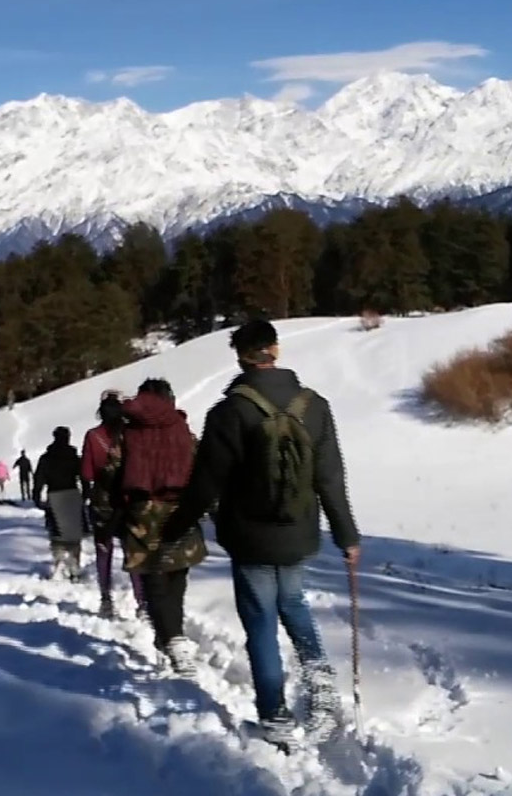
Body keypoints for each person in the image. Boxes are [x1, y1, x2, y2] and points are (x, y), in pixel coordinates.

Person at [161, 318, 361, 744]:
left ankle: (275, 718)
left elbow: (206, 484)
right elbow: (330, 478)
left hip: (250, 537)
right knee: (293, 601)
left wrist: (175, 528)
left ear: (240, 356)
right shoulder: (316, 405)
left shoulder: (229, 411)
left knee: (261, 624)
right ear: (276, 350)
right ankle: (320, 682)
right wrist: (347, 535)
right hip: (300, 532)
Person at [117, 378, 207, 675]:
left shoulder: (129, 430)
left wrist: (108, 511)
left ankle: (170, 639)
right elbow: (198, 464)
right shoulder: (181, 427)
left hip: (142, 511)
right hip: (181, 508)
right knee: (177, 574)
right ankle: (174, 636)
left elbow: (113, 471)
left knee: (154, 578)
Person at [81, 390, 147, 620]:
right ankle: (142, 603)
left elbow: (87, 472)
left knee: (104, 552)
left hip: (103, 503)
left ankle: (106, 600)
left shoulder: (92, 436)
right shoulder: (131, 434)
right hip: (129, 502)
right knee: (133, 553)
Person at [33, 427, 85, 581]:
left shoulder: (46, 458)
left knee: (56, 532)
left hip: (54, 495)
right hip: (72, 495)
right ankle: (74, 566)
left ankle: (58, 563)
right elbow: (84, 477)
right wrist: (87, 494)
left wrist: (36, 496)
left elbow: (39, 479)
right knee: (74, 534)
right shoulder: (73, 457)